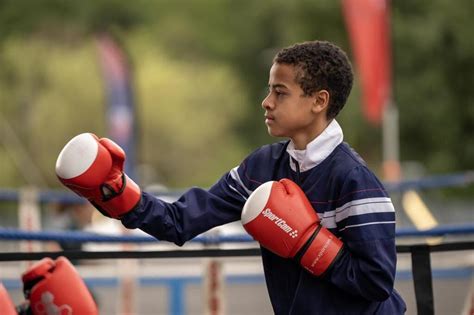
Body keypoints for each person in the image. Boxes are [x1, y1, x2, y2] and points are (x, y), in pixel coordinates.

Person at [55, 40, 406, 314]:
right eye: (269, 90)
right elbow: (178, 222)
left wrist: (309, 244)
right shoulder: (261, 167)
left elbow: (376, 281)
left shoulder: (354, 179)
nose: (266, 102)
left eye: (280, 92)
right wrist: (114, 192)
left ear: (319, 101)